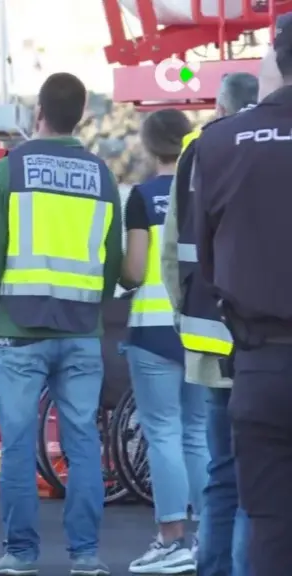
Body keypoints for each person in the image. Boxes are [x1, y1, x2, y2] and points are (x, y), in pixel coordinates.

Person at [0, 72, 121, 576]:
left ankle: (20, 554)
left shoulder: (10, 170)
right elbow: (112, 258)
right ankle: (85, 556)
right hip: (80, 330)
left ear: (39, 112)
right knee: (82, 444)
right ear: (81, 116)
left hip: (18, 328)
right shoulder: (101, 175)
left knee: (16, 445)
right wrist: (91, 308)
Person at [193, 27, 292, 574]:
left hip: (260, 362)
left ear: (276, 60)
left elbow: (206, 259)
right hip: (259, 355)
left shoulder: (220, 141)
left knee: (269, 527)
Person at [161, 72, 257, 576]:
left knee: (222, 474)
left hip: (208, 336)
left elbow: (172, 247)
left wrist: (183, 313)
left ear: (219, 106)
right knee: (260, 479)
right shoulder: (268, 147)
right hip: (262, 341)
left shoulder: (195, 152)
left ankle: (214, 568)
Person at [122, 109, 208, 574]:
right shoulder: (208, 190)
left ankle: (171, 538)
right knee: (198, 434)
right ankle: (209, 535)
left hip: (154, 331)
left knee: (164, 433)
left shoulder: (144, 196)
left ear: (149, 145)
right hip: (203, 330)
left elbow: (134, 270)